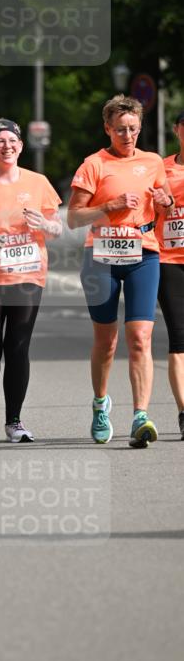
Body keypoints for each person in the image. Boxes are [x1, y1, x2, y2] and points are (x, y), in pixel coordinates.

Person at [67, 94, 172, 447]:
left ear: (140, 128)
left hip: (144, 252)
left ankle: (141, 415)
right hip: (102, 255)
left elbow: (166, 206)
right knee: (107, 340)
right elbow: (73, 217)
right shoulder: (94, 164)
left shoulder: (153, 162)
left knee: (141, 337)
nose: (128, 136)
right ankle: (100, 405)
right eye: (121, 130)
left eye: (133, 129)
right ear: (108, 129)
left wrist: (165, 204)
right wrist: (109, 205)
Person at [0, 118, 62, 443]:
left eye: (12, 141)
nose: (7, 146)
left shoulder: (38, 182)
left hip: (28, 276)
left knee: (18, 348)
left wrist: (45, 225)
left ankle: (14, 422)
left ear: (20, 145)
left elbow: (57, 228)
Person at [156, 111, 184, 438]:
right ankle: (183, 411)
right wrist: (160, 204)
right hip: (169, 260)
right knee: (180, 335)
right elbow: (145, 213)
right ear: (177, 130)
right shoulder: (161, 168)